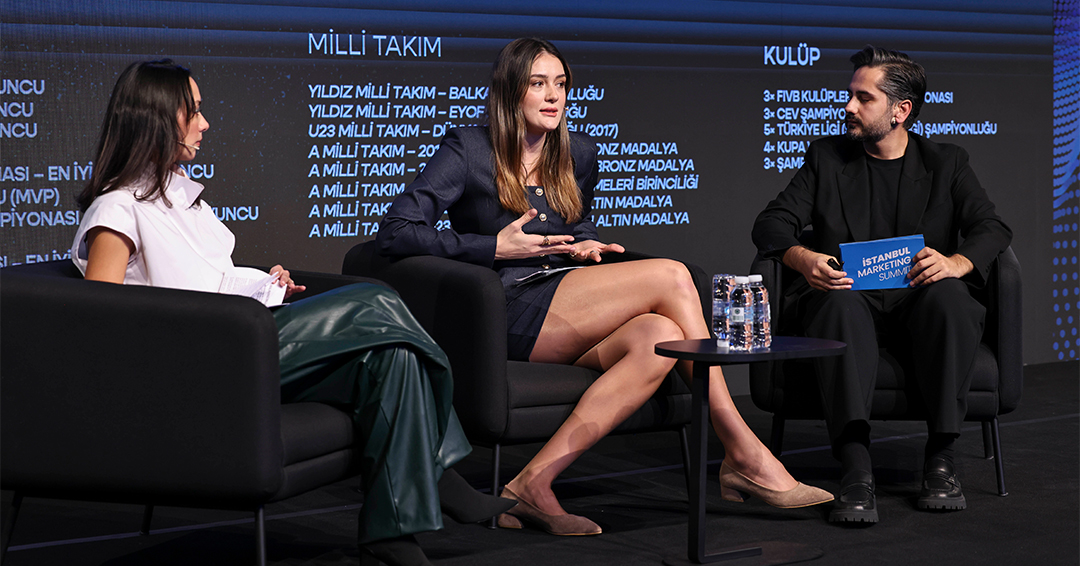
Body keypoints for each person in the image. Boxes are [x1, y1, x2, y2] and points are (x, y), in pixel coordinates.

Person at [376, 37, 832, 536]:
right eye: (537, 84)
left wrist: (585, 245)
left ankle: (532, 482)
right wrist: (493, 248)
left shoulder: (578, 152)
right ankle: (741, 448)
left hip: (566, 295)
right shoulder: (468, 149)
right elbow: (397, 231)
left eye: (560, 84)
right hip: (502, 305)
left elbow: (578, 224)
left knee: (659, 336)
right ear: (510, 91)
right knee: (673, 275)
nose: (553, 95)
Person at [70, 59, 513, 566]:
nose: (205, 123)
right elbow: (103, 319)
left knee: (392, 358)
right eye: (192, 111)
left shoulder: (181, 198)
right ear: (153, 117)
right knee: (376, 299)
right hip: (203, 361)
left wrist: (262, 282)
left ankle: (390, 531)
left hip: (239, 340)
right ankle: (440, 467)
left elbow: (207, 281)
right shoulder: (117, 209)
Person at [751, 46, 1012, 524]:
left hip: (919, 298)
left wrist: (957, 262)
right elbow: (771, 223)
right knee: (837, 304)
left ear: (900, 110)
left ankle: (941, 459)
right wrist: (803, 257)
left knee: (952, 299)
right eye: (850, 95)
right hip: (851, 296)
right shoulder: (827, 158)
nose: (848, 106)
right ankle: (855, 467)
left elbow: (991, 227)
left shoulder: (946, 162)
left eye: (863, 98)